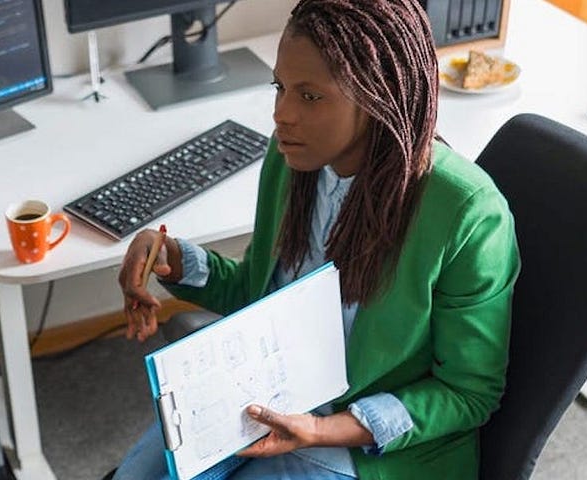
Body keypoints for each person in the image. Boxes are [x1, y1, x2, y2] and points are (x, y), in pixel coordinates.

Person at [114, 0, 520, 478]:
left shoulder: (466, 212)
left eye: (309, 96)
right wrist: (178, 261)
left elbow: (468, 393)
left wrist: (322, 430)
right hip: (270, 400)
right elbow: (259, 296)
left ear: (377, 97)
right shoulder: (291, 161)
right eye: (280, 87)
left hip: (370, 450)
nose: (281, 115)